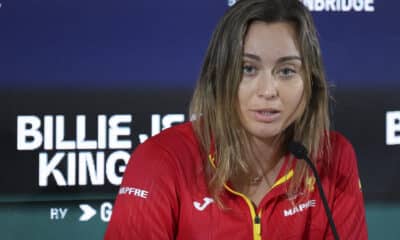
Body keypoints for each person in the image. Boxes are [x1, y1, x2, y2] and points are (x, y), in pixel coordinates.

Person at [104, 0, 368, 239]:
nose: (268, 91)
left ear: (310, 80)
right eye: (248, 69)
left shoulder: (334, 158)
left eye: (286, 71)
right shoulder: (160, 161)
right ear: (218, 75)